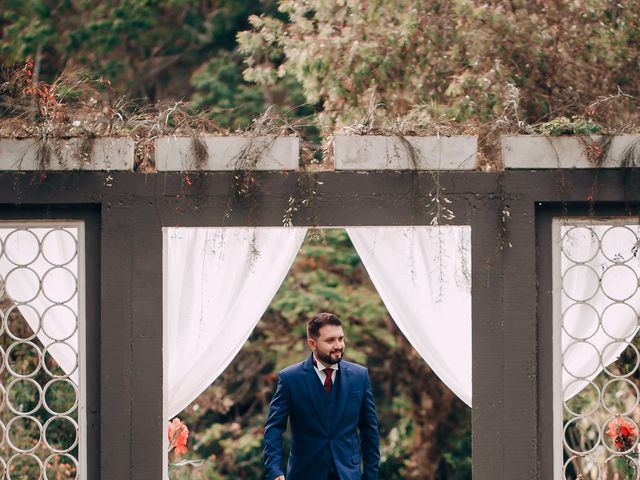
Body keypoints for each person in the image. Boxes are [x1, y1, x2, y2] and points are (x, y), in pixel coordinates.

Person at [263, 312, 380, 480]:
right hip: (304, 473)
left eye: (340, 339)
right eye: (330, 340)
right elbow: (274, 427)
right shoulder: (290, 378)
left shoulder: (360, 376)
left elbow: (370, 430)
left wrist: (371, 475)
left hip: (348, 474)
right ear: (312, 343)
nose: (338, 345)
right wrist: (274, 470)